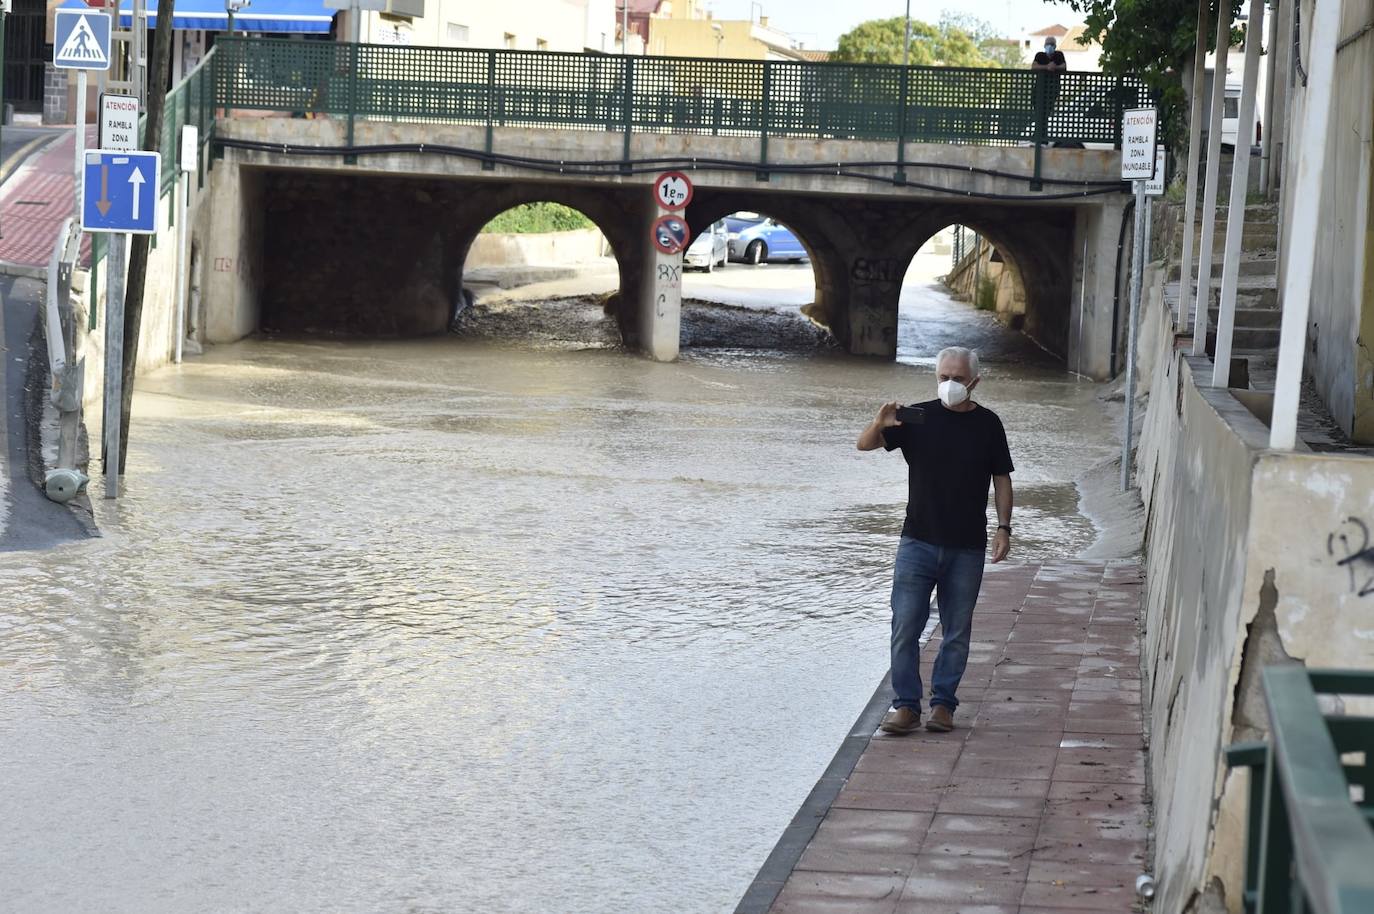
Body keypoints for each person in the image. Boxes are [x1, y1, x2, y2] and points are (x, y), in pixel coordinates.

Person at [856, 347, 1014, 734]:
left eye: (958, 379)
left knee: (957, 630)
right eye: (944, 376)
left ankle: (943, 705)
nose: (950, 384)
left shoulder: (989, 424)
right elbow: (865, 445)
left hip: (967, 545)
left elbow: (1002, 479)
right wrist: (879, 422)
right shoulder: (917, 417)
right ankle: (906, 706)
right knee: (906, 625)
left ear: (974, 382)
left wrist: (1004, 527)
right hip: (917, 542)